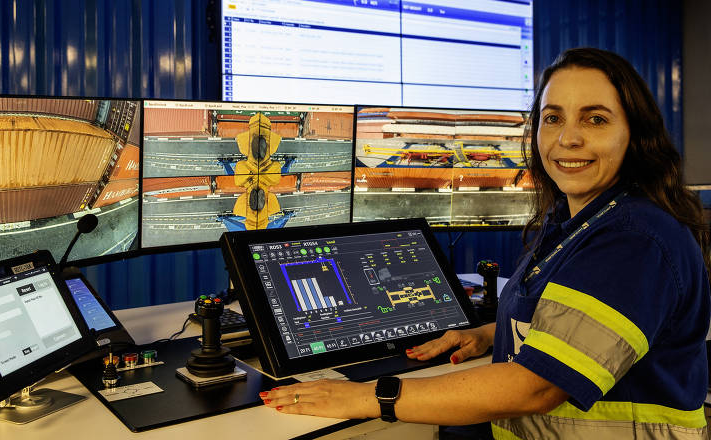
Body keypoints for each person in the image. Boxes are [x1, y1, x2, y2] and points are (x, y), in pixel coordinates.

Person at [259, 48, 710, 439]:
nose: (568, 138)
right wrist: (485, 335)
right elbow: (571, 326)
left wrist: (364, 396)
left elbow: (535, 386)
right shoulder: (576, 220)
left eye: (595, 119)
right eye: (553, 118)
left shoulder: (635, 239)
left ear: (635, 133)